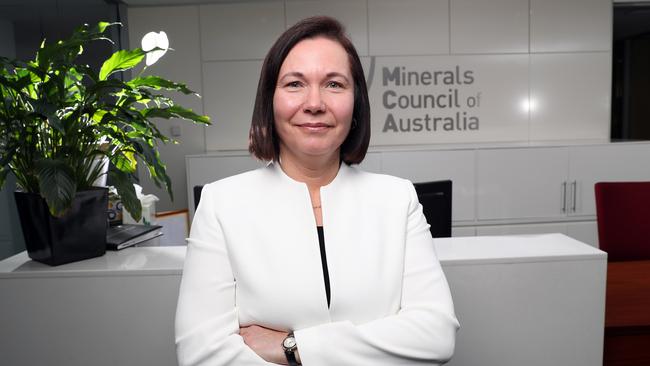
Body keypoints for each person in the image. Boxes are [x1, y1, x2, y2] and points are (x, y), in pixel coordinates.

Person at [175, 16, 459, 366]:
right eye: (294, 84)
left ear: (356, 104)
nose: (314, 103)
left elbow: (436, 335)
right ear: (270, 101)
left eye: (334, 85)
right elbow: (201, 353)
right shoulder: (222, 205)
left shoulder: (397, 200)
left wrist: (292, 347)